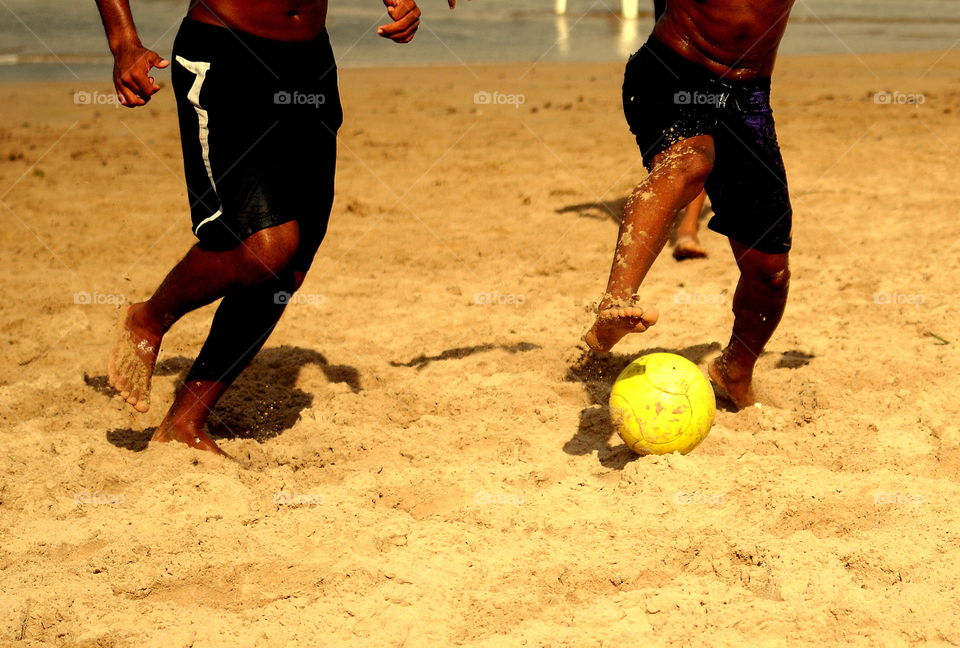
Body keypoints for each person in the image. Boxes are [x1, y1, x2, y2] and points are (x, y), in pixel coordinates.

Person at [98, 0, 459, 455]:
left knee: (292, 262)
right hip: (226, 55)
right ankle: (148, 317)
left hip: (310, 61)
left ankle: (185, 422)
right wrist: (124, 42)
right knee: (264, 247)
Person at [585, 0, 795, 409]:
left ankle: (734, 369)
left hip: (748, 99)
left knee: (770, 272)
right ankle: (616, 302)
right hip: (672, 71)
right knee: (690, 163)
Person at [652, 0, 709, 261]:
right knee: (667, 134)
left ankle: (688, 226)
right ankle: (668, 215)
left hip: (711, 45)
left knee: (705, 131)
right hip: (667, 46)